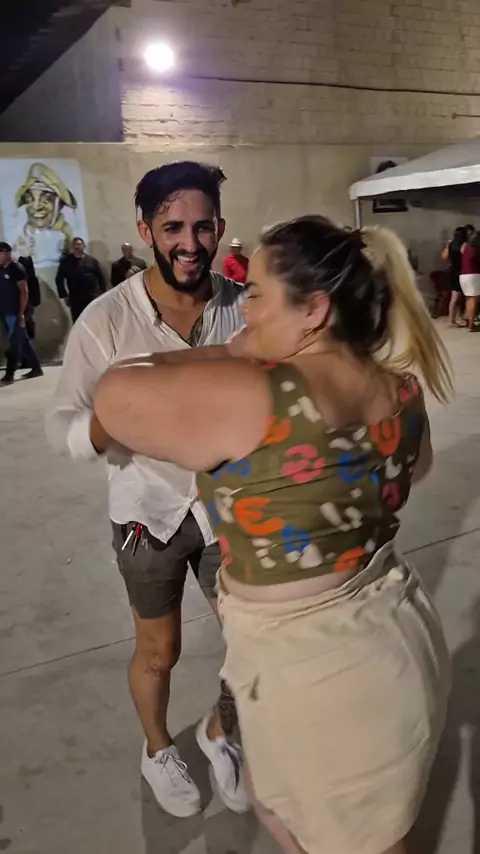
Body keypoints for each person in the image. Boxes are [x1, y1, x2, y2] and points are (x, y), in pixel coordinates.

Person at [94, 216, 453, 854]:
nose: (244, 308)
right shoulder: (401, 388)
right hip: (392, 624)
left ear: (314, 310)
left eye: (257, 293)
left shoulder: (260, 393)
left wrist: (232, 354)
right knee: (297, 809)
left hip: (319, 672)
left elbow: (115, 394)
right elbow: (415, 468)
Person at [45, 161, 248, 819]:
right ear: (145, 231)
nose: (190, 243)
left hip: (228, 509)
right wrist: (114, 418)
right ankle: (158, 748)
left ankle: (220, 732)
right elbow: (63, 427)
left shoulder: (244, 307)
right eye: (172, 228)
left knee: (254, 644)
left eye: (202, 227)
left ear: (219, 227)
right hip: (145, 514)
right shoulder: (106, 320)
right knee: (160, 651)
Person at [14, 162, 77, 267]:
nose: (36, 207)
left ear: (59, 204)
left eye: (46, 199)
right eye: (29, 199)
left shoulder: (66, 235)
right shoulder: (23, 235)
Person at [0, 242, 43, 385]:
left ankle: (9, 374)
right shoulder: (1, 269)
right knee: (23, 341)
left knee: (14, 343)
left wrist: (21, 313)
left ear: (7, 254)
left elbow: (24, 292)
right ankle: (36, 368)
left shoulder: (17, 269)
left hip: (18, 311)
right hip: (6, 312)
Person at [55, 238, 107, 323]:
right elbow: (59, 279)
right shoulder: (66, 262)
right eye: (75, 245)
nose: (77, 247)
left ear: (84, 246)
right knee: (79, 323)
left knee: (95, 321)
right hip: (76, 299)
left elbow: (101, 278)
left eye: (79, 244)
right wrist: (64, 295)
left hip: (92, 297)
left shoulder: (92, 261)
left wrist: (102, 293)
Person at [442, 226, 467, 327]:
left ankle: (456, 317)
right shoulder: (464, 245)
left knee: (456, 297)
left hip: (452, 271)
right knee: (456, 297)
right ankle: (451, 320)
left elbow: (444, 257)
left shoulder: (451, 244)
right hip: (460, 271)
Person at [459, 227, 480, 331]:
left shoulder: (465, 247)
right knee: (473, 299)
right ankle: (472, 324)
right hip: (473, 275)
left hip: (463, 275)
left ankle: (469, 321)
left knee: (468, 298)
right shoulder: (477, 249)